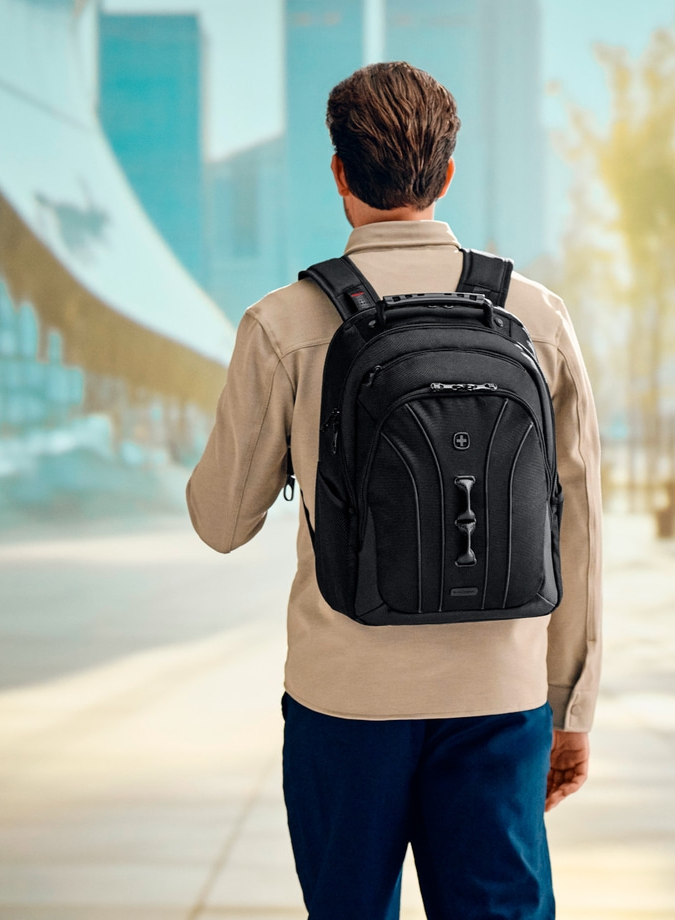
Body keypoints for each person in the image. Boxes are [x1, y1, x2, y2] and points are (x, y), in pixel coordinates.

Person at [187, 61, 602, 920]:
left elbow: (222, 522)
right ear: (447, 174)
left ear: (338, 173)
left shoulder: (283, 323)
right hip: (499, 696)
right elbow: (580, 525)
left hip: (346, 698)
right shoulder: (536, 315)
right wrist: (570, 705)